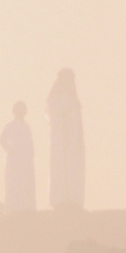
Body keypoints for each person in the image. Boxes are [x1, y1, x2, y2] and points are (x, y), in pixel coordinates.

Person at [47, 69, 85, 210]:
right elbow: (54, 115)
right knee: (60, 169)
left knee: (74, 169)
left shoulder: (74, 99)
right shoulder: (54, 98)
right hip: (60, 142)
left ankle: (74, 200)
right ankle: (60, 200)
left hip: (74, 143)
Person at [0, 101, 37, 213]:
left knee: (27, 183)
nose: (22, 111)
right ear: (14, 111)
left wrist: (31, 154)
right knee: (13, 183)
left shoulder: (26, 126)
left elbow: (30, 143)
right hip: (14, 160)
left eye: (23, 109)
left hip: (26, 160)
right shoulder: (10, 125)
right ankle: (12, 209)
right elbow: (1, 139)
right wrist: (10, 151)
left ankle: (27, 208)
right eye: (19, 109)